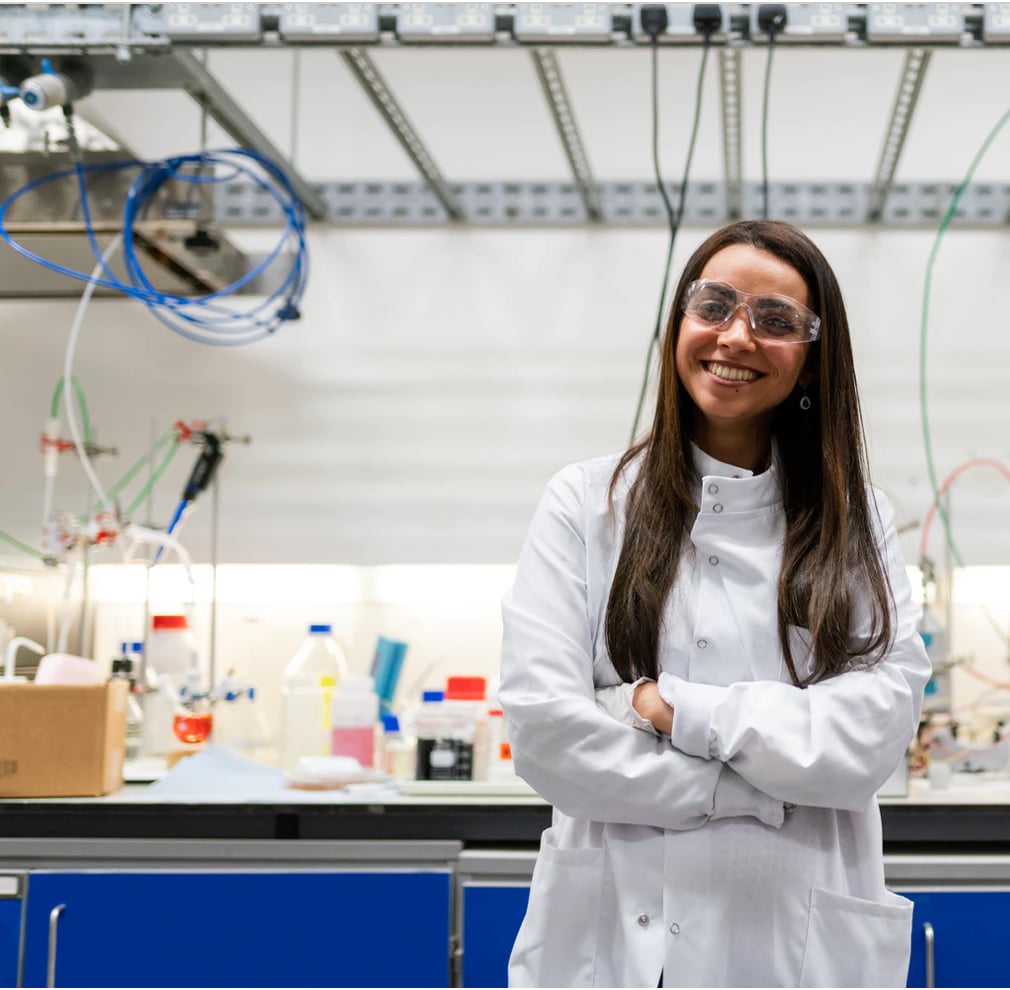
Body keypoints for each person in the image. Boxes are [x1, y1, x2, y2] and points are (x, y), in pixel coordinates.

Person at [498, 219, 930, 989]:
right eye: (715, 305)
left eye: (775, 321)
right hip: (613, 943)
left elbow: (867, 743)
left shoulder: (858, 524)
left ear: (811, 360)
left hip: (794, 947)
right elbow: (546, 731)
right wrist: (750, 790)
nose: (737, 336)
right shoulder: (587, 504)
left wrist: (667, 710)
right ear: (679, 325)